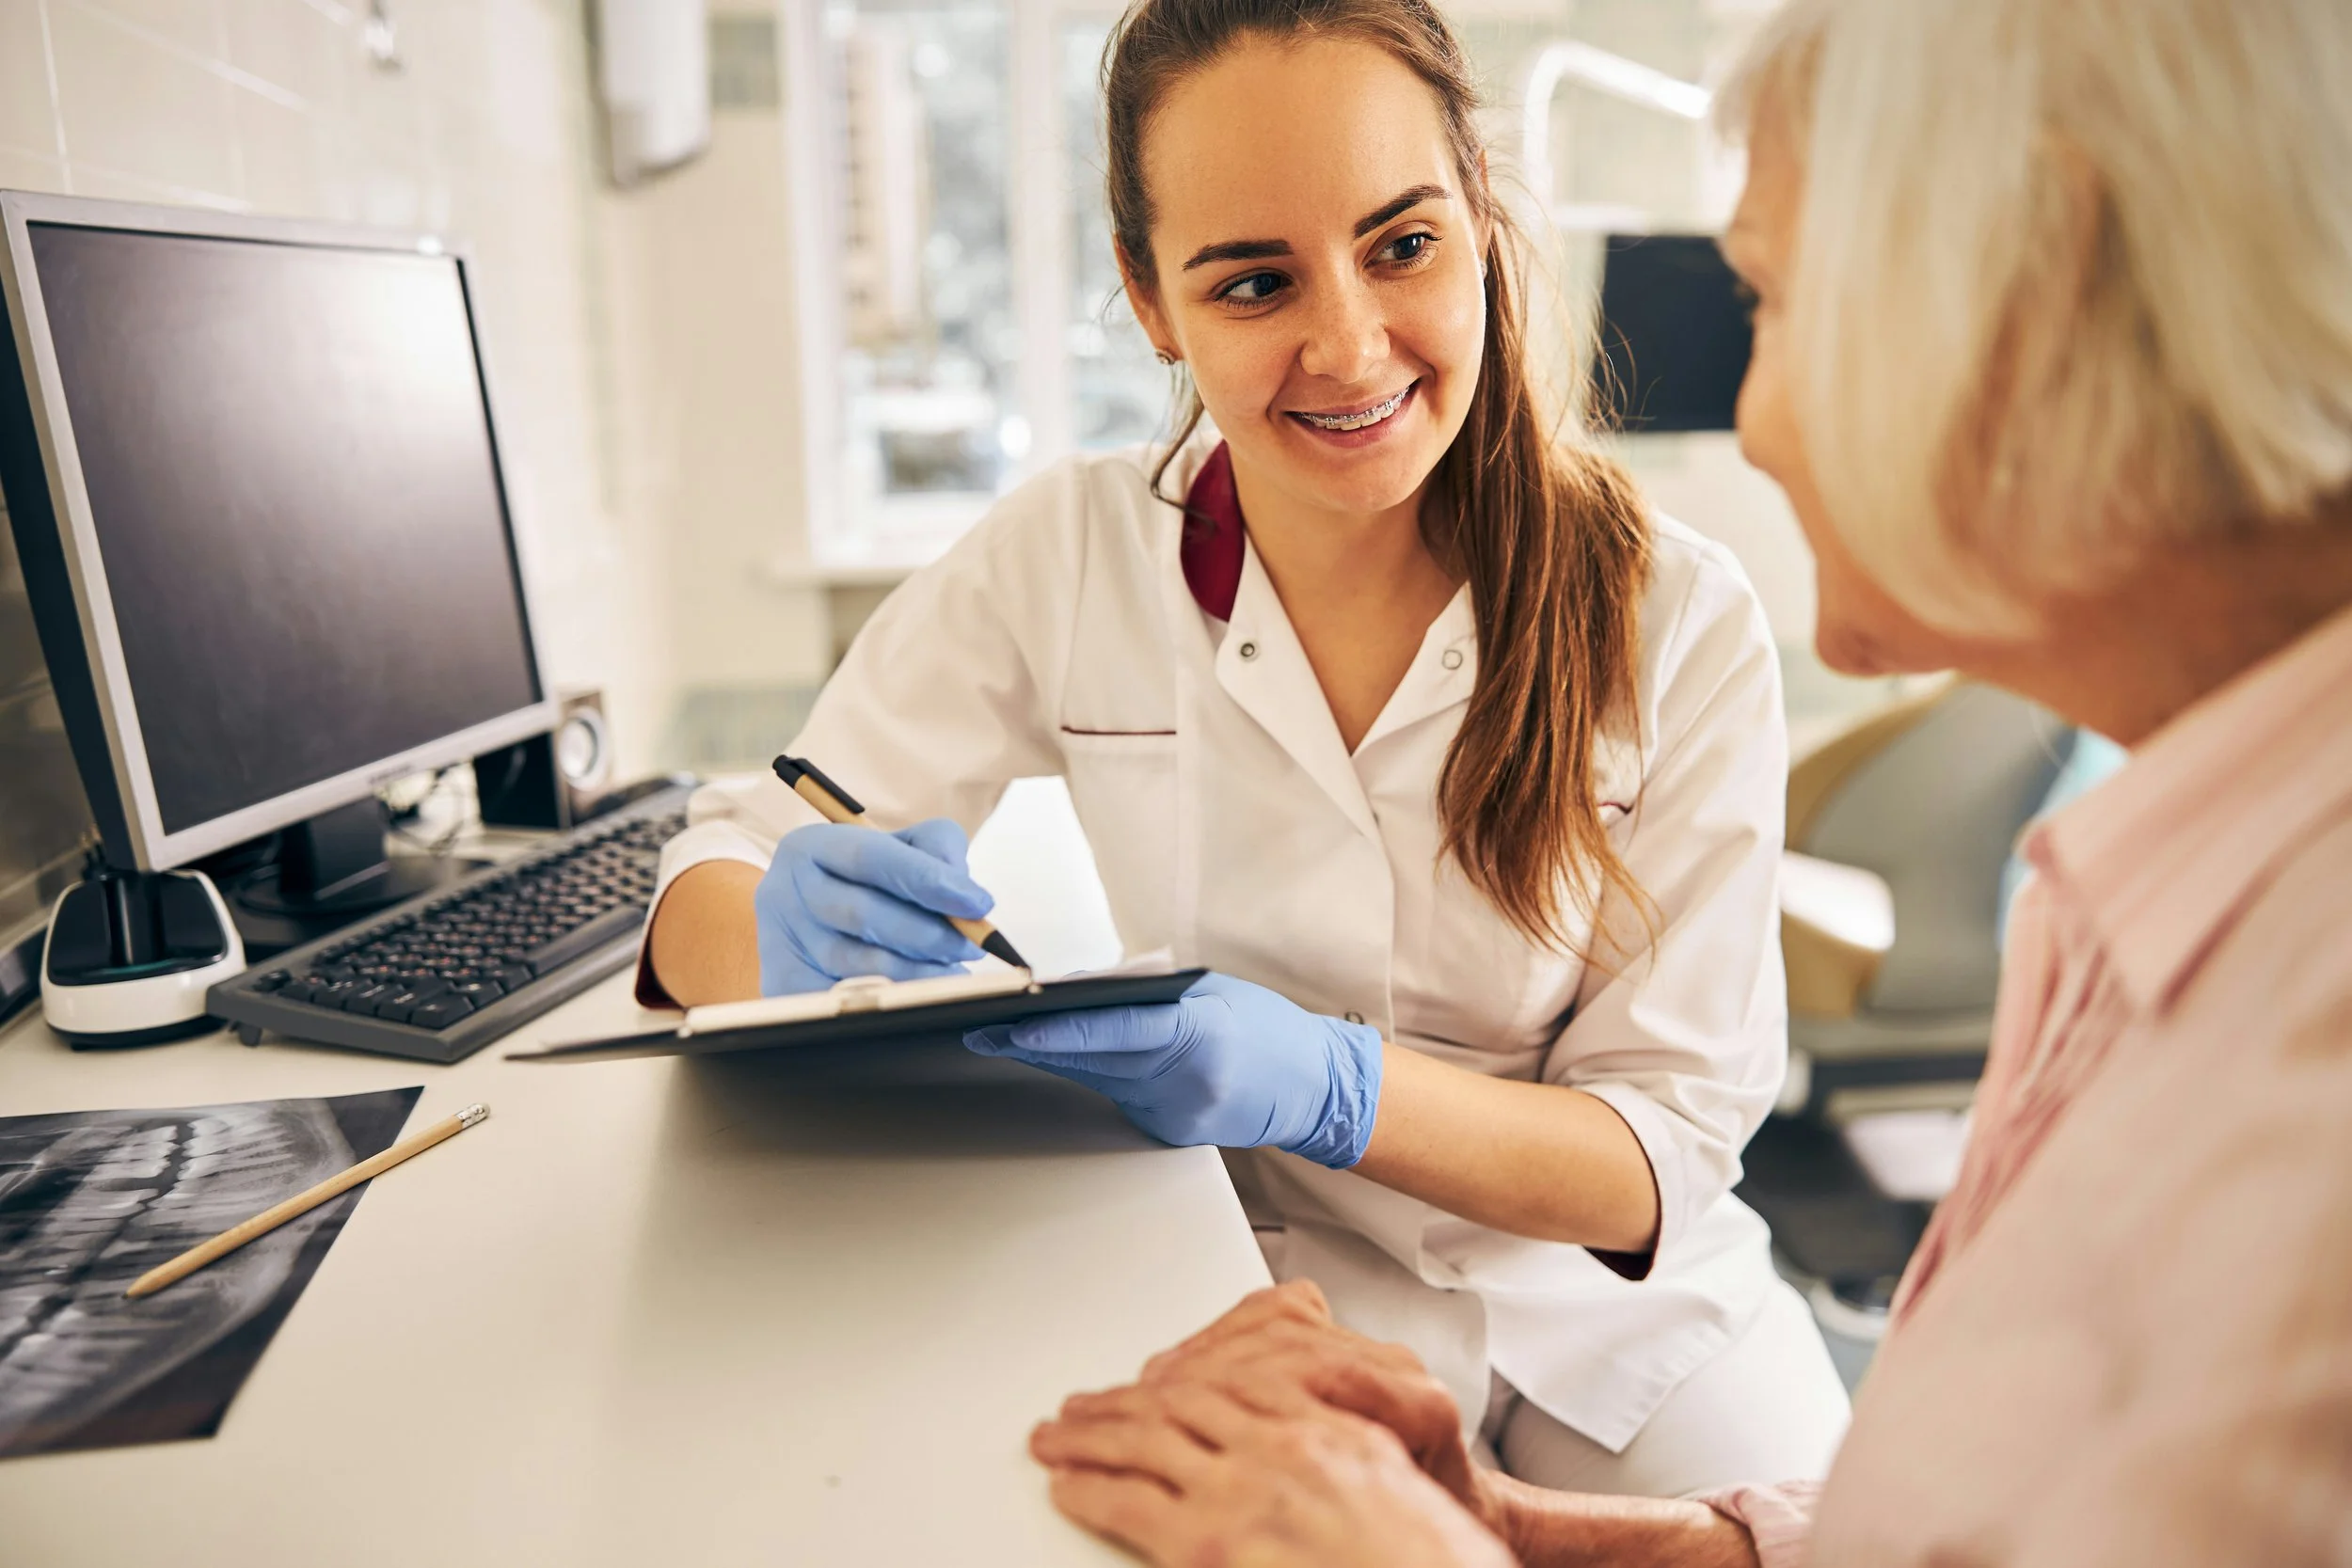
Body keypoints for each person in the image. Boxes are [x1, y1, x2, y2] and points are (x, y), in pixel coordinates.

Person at [1025, 0, 2352, 1561]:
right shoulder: (2154, 901)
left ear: (2031, 297)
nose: (1758, 424)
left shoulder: (2304, 1084)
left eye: (1768, 303)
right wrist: (1547, 1534)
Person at [637, 0, 1850, 1497]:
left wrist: (1334, 1084)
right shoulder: (1071, 557)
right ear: (1153, 303)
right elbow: (713, 870)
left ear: (1478, 215)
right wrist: (774, 931)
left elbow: (1656, 1153)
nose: (1347, 346)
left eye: (1400, 244)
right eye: (1256, 281)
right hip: (1267, 1284)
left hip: (1629, 1317)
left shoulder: (1677, 616)